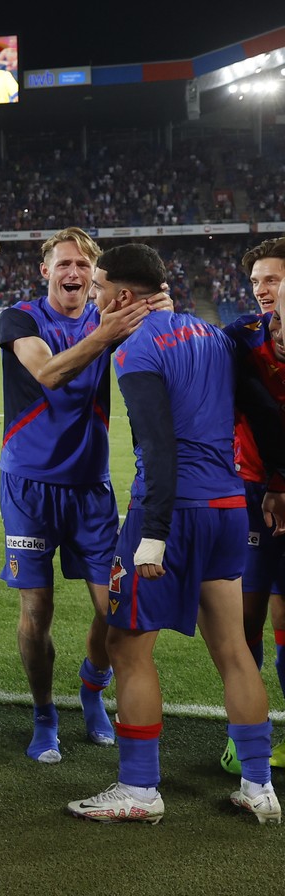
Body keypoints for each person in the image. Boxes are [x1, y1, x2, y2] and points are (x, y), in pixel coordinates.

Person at [67, 243, 279, 824]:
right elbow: (264, 415)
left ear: (125, 297)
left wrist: (152, 535)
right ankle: (259, 787)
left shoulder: (137, 348)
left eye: (100, 288)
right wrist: (278, 482)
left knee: (125, 647)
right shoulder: (215, 336)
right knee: (234, 650)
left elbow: (157, 447)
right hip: (229, 507)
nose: (94, 296)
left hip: (170, 512)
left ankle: (139, 790)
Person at [0, 227, 148, 763]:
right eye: (63, 264)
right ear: (46, 271)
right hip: (29, 487)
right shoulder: (20, 318)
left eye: (84, 265)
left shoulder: (105, 318)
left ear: (95, 274)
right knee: (36, 612)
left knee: (114, 605)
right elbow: (47, 373)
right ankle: (44, 715)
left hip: (90, 487)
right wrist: (107, 334)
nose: (73, 274)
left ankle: (91, 687)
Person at [220, 236, 285, 773]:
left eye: (274, 279)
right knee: (246, 618)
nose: (263, 290)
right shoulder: (241, 335)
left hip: (281, 489)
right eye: (257, 280)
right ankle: (245, 733)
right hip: (249, 488)